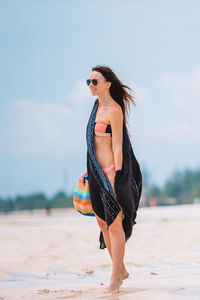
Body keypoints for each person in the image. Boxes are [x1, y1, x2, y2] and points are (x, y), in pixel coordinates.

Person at [81, 65, 142, 294]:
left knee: (115, 225)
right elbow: (92, 144)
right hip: (95, 173)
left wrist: (116, 178)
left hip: (111, 173)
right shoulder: (95, 107)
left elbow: (118, 145)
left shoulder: (114, 110)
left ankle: (115, 278)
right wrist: (88, 170)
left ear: (107, 84)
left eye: (95, 81)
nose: (90, 85)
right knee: (101, 222)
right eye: (88, 81)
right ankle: (122, 268)